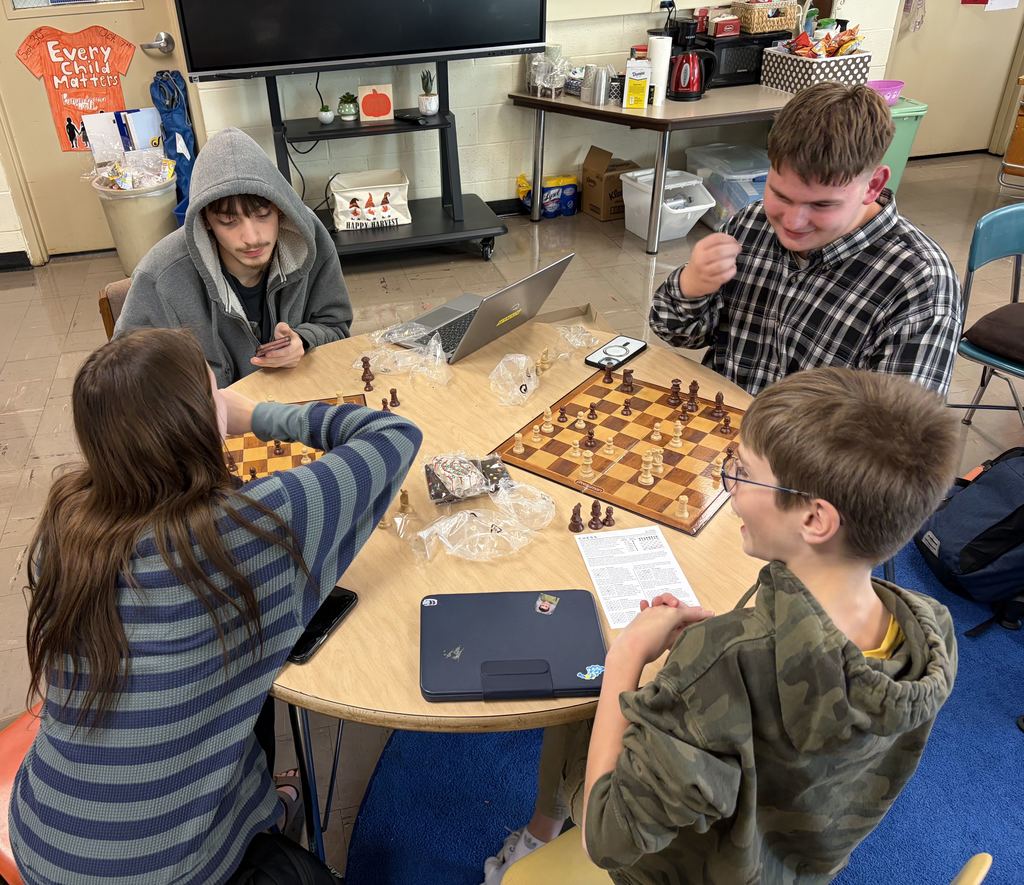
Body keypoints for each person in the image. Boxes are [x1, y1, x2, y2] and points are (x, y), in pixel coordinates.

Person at [483, 367, 959, 884]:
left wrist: (630, 656)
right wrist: (712, 656)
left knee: (582, 706)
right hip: (787, 866)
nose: (727, 483)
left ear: (815, 520)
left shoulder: (724, 661)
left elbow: (607, 839)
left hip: (681, 872)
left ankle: (539, 834)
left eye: (743, 471)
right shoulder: (930, 628)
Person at [9, 328, 421, 885]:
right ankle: (264, 821)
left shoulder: (63, 527)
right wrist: (257, 415)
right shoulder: (255, 526)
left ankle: (259, 801)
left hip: (42, 836)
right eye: (214, 390)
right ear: (205, 419)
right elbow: (393, 434)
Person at [649, 83, 961, 396]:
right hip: (718, 427)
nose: (792, 222)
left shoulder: (920, 283)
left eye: (821, 205)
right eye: (779, 195)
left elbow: (895, 435)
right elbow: (675, 332)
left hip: (811, 446)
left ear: (873, 185)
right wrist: (691, 286)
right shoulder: (751, 224)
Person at [116, 128, 353, 386]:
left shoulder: (311, 238)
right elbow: (128, 375)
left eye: (263, 215)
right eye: (228, 221)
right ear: (205, 220)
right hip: (212, 418)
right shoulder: (159, 276)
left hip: (298, 403)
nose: (251, 237)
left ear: (281, 211)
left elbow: (337, 327)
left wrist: (304, 340)